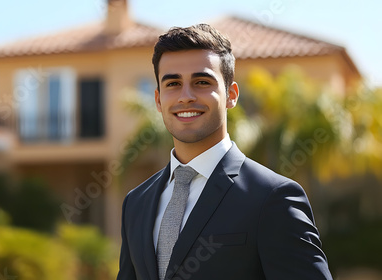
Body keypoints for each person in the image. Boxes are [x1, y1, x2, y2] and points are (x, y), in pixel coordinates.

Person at [116, 24, 332, 280]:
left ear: (231, 95)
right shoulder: (136, 202)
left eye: (202, 82)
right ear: (159, 99)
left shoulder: (272, 198)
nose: (185, 96)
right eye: (173, 83)